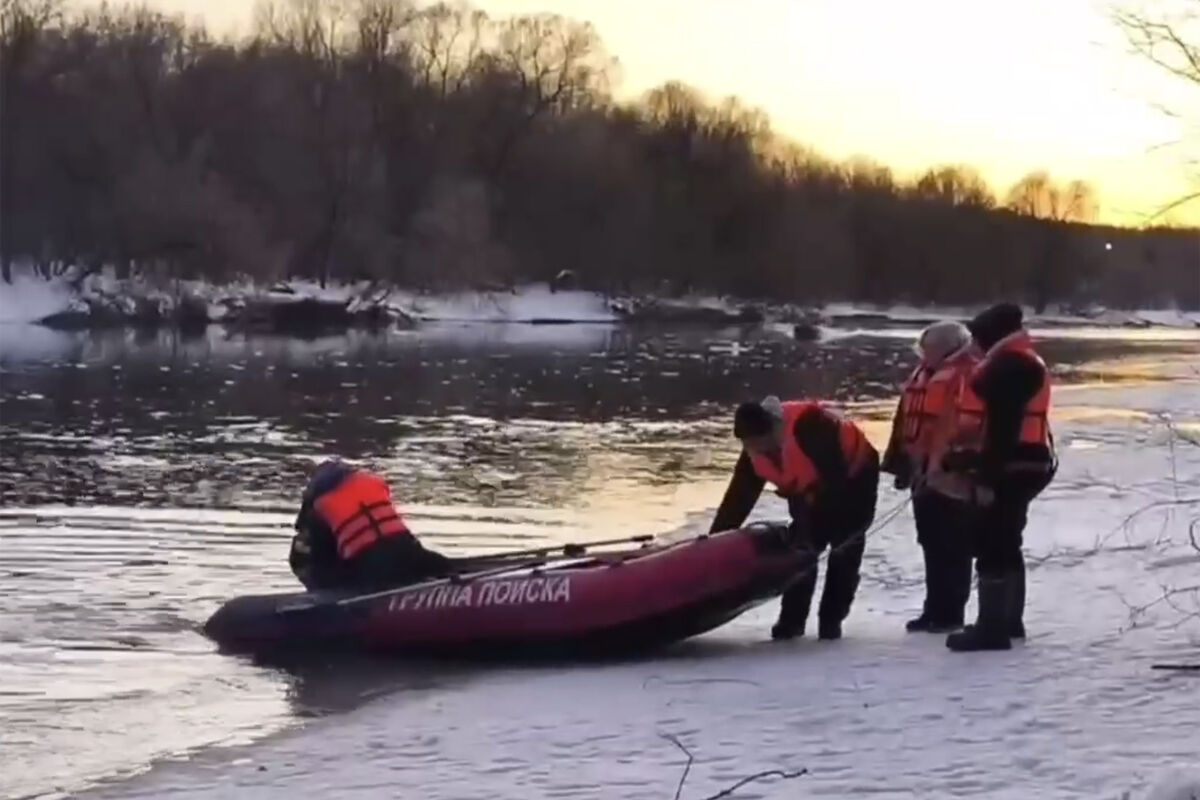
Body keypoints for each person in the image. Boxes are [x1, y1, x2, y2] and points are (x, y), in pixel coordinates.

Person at [708, 396, 880, 641]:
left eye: (758, 442)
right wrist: (715, 540)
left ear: (773, 429)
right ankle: (792, 622)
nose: (755, 448)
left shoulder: (810, 427)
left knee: (844, 547)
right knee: (801, 549)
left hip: (854, 477)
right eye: (748, 444)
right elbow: (738, 499)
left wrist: (816, 521)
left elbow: (836, 481)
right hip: (808, 489)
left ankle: (830, 621)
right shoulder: (753, 451)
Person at [940, 303, 1057, 652]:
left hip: (1013, 465)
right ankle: (1007, 621)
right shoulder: (1022, 359)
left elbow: (1003, 428)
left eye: (977, 338)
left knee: (993, 541)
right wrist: (968, 459)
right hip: (1027, 461)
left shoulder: (1010, 365)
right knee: (1006, 540)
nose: (974, 346)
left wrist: (986, 477)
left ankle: (992, 628)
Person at [882, 321, 981, 633]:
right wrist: (899, 462)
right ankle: (933, 609)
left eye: (929, 349)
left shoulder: (968, 375)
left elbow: (968, 426)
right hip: (920, 471)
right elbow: (904, 420)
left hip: (952, 474)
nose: (923, 355)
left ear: (949, 349)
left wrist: (954, 464)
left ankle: (950, 613)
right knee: (930, 542)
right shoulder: (923, 374)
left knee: (953, 545)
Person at [288, 459, 452, 591]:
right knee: (441, 565)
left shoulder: (320, 507)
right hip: (411, 551)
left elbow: (322, 560)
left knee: (326, 575)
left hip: (372, 566)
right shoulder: (373, 482)